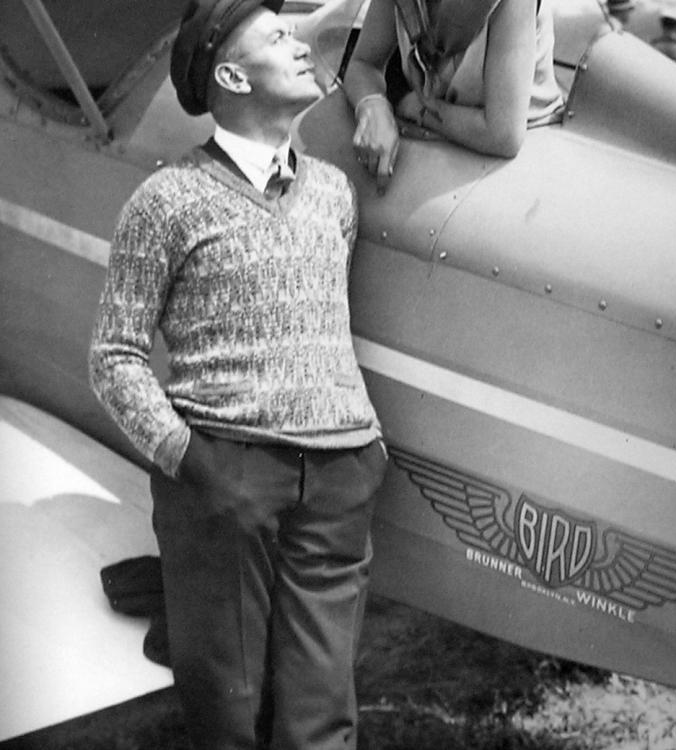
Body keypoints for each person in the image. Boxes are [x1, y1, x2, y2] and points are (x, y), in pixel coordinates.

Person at [89, 1, 387, 747]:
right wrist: (194, 462)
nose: (299, 40)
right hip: (226, 479)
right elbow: (114, 355)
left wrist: (362, 454)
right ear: (228, 73)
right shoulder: (167, 201)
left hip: (340, 475)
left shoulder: (333, 194)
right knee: (228, 717)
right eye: (277, 34)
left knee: (323, 720)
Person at [343, 0, 564, 189]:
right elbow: (363, 63)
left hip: (518, 150)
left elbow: (503, 135)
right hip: (436, 135)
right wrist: (372, 106)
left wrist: (410, 106)